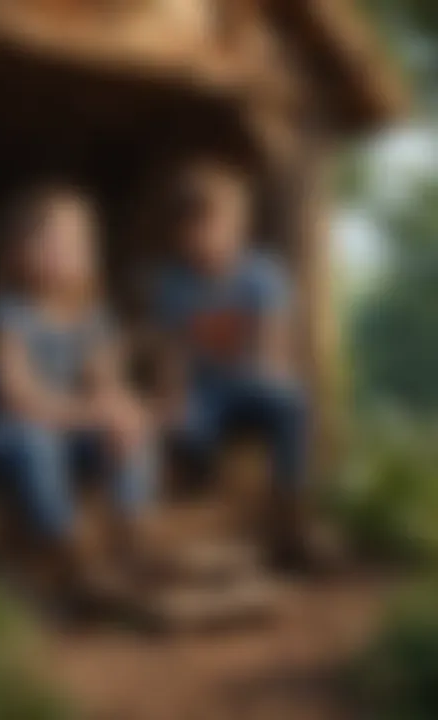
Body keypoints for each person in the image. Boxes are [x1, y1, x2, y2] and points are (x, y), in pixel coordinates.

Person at [0, 185, 157, 608]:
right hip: (1, 435)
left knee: (133, 426)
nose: (64, 252)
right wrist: (89, 415)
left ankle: (130, 542)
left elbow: (106, 384)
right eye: (49, 240)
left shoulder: (94, 318)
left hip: (61, 432)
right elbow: (17, 399)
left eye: (76, 242)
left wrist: (121, 412)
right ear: (18, 253)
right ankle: (66, 560)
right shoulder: (10, 316)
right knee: (36, 441)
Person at [151, 158, 314, 571]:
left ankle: (290, 506)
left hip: (251, 379)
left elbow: (272, 338)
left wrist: (271, 371)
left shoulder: (262, 275)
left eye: (216, 226)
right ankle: (201, 485)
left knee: (290, 402)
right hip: (206, 390)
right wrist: (173, 397)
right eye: (194, 229)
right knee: (187, 425)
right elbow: (175, 350)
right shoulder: (174, 284)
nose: (206, 239)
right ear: (179, 236)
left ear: (240, 227)